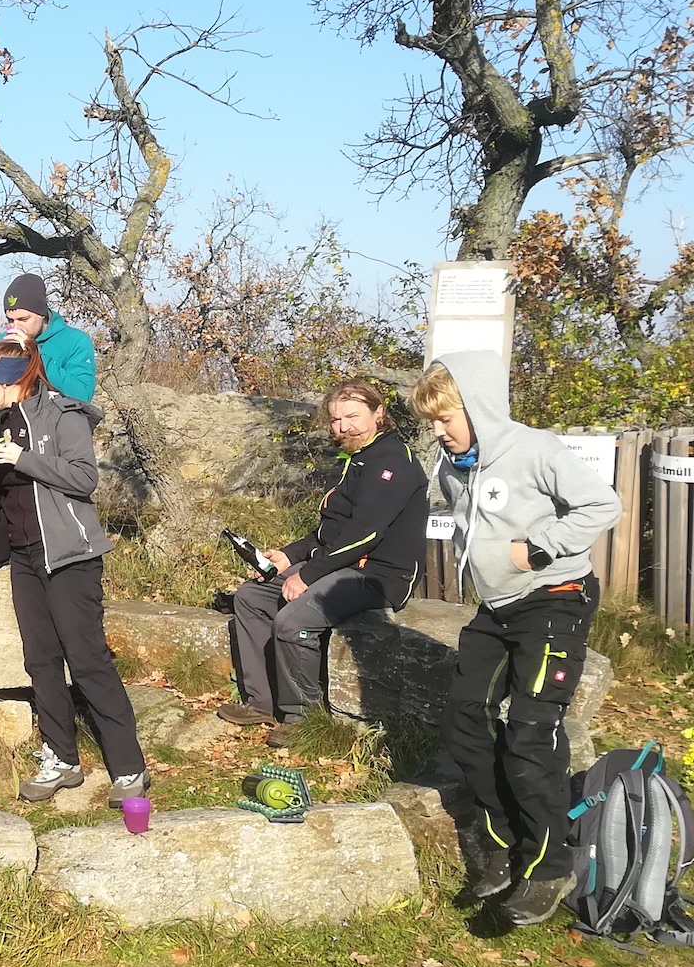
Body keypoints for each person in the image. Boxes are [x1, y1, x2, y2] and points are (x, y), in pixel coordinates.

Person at [409, 354, 620, 925]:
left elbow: (604, 504)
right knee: (463, 718)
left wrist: (542, 545)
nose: (438, 430)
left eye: (445, 417)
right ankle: (503, 849)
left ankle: (551, 866)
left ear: (476, 407)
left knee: (530, 732)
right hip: (498, 607)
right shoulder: (454, 465)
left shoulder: (535, 449)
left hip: (555, 597)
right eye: (431, 421)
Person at [0, 338, 148, 805]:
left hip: (70, 554)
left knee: (87, 659)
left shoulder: (64, 416)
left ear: (10, 379)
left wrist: (23, 459)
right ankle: (62, 758)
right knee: (41, 661)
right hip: (24, 557)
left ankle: (129, 768)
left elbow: (85, 477)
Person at [220, 378, 430, 748]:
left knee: (294, 618)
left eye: (352, 416)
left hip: (379, 575)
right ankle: (261, 702)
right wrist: (290, 555)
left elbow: (365, 535)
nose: (343, 426)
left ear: (379, 414)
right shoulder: (358, 458)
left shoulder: (392, 462)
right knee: (251, 597)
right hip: (342, 565)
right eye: (335, 419)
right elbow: (331, 531)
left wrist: (308, 574)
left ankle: (304, 717)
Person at [0, 273, 96, 403]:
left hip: (56, 421)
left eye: (23, 319)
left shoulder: (76, 342)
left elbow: (82, 395)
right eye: (10, 320)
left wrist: (35, 355)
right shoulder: (0, 342)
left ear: (42, 314)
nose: (16, 327)